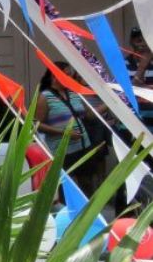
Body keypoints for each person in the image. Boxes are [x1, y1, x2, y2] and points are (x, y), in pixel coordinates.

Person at [35, 62, 107, 198]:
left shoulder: (74, 93)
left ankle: (88, 214)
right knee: (63, 187)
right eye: (67, 75)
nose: (70, 78)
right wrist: (65, 133)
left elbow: (89, 115)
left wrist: (110, 104)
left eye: (71, 75)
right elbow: (36, 124)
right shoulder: (45, 97)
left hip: (83, 146)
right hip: (61, 150)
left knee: (87, 184)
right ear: (55, 76)